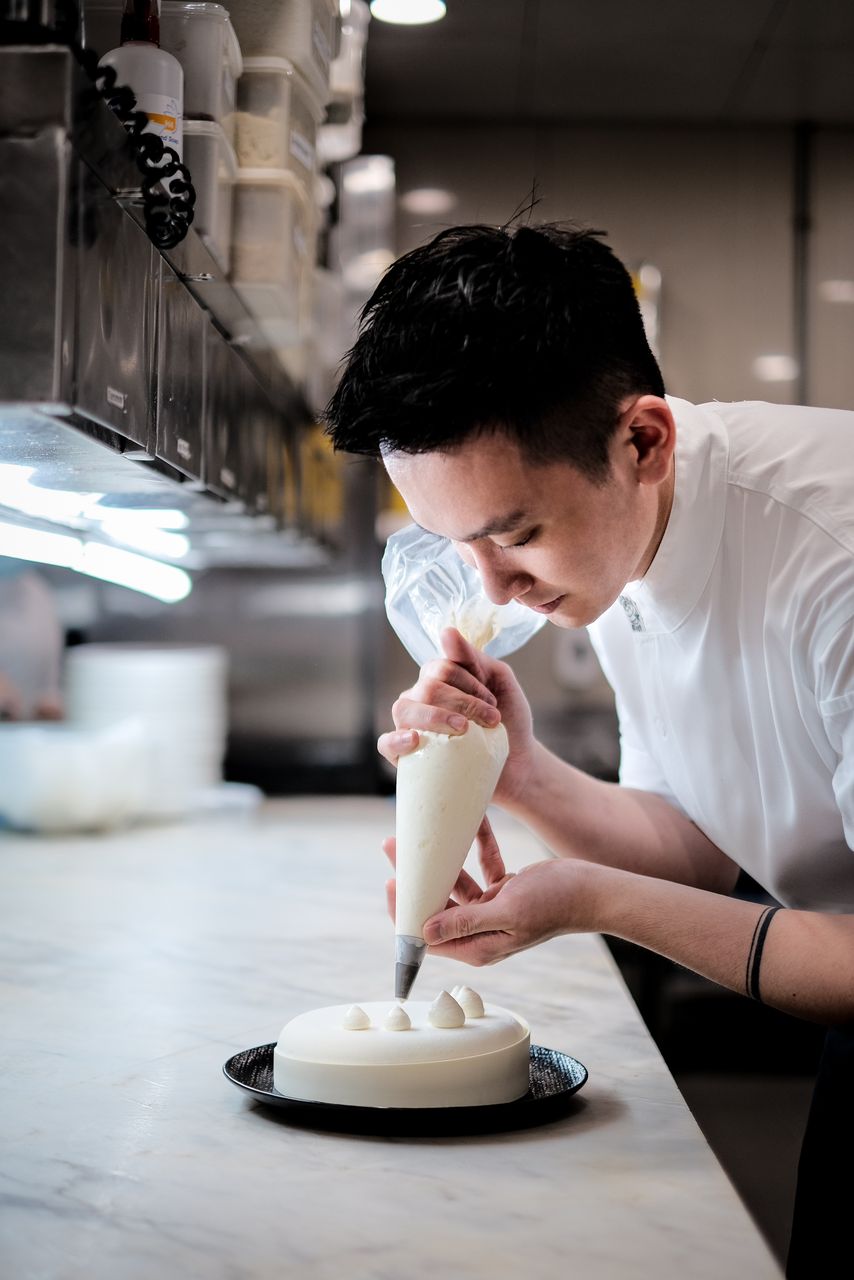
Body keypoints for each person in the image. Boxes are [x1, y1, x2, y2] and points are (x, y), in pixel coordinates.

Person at [324, 221, 854, 1276]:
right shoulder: (619, 531)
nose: (490, 589)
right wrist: (515, 767)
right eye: (457, 540)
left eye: (512, 535)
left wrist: (586, 900)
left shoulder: (831, 556)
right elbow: (695, 848)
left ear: (641, 439)